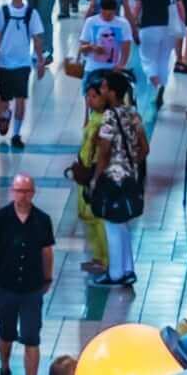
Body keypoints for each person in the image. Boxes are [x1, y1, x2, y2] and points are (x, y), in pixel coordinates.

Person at [0, 175, 57, 375]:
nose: (23, 195)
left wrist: (47, 277)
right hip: (6, 287)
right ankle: (5, 367)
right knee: (6, 332)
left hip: (31, 289)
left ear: (33, 193)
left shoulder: (42, 220)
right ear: (12, 192)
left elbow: (47, 252)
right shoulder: (0, 219)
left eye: (27, 191)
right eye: (19, 191)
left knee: (31, 337)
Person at [75, 72, 148, 292]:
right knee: (122, 224)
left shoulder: (109, 117)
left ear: (113, 92)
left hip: (112, 179)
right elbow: (145, 148)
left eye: (105, 88)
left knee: (112, 226)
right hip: (129, 177)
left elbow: (104, 152)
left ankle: (115, 273)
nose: (102, 90)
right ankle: (128, 269)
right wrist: (129, 164)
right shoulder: (131, 113)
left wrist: (97, 179)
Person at [0, 0, 42, 150]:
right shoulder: (2, 12)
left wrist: (40, 60)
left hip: (22, 63)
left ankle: (16, 134)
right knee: (4, 99)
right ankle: (5, 114)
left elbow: (37, 37)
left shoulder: (31, 13)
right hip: (4, 62)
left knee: (20, 98)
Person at [128, 0, 179, 108]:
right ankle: (162, 86)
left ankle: (156, 86)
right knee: (164, 60)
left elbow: (136, 9)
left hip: (148, 27)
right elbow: (179, 6)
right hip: (168, 28)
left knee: (148, 60)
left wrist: (133, 27)